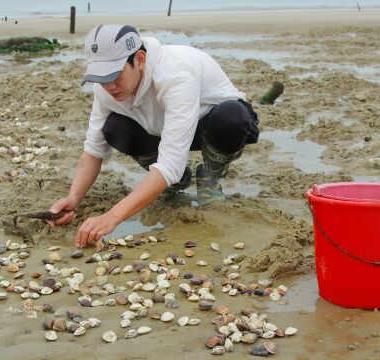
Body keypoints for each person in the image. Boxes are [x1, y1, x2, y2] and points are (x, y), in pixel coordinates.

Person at [47, 24, 259, 248]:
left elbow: (170, 165)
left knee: (232, 118)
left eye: (114, 75)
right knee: (113, 128)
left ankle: (210, 176)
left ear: (139, 59)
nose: (108, 85)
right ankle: (176, 183)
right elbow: (93, 151)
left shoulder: (176, 73)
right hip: (159, 128)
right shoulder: (105, 89)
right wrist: (73, 198)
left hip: (210, 123)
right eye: (100, 77)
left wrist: (112, 217)